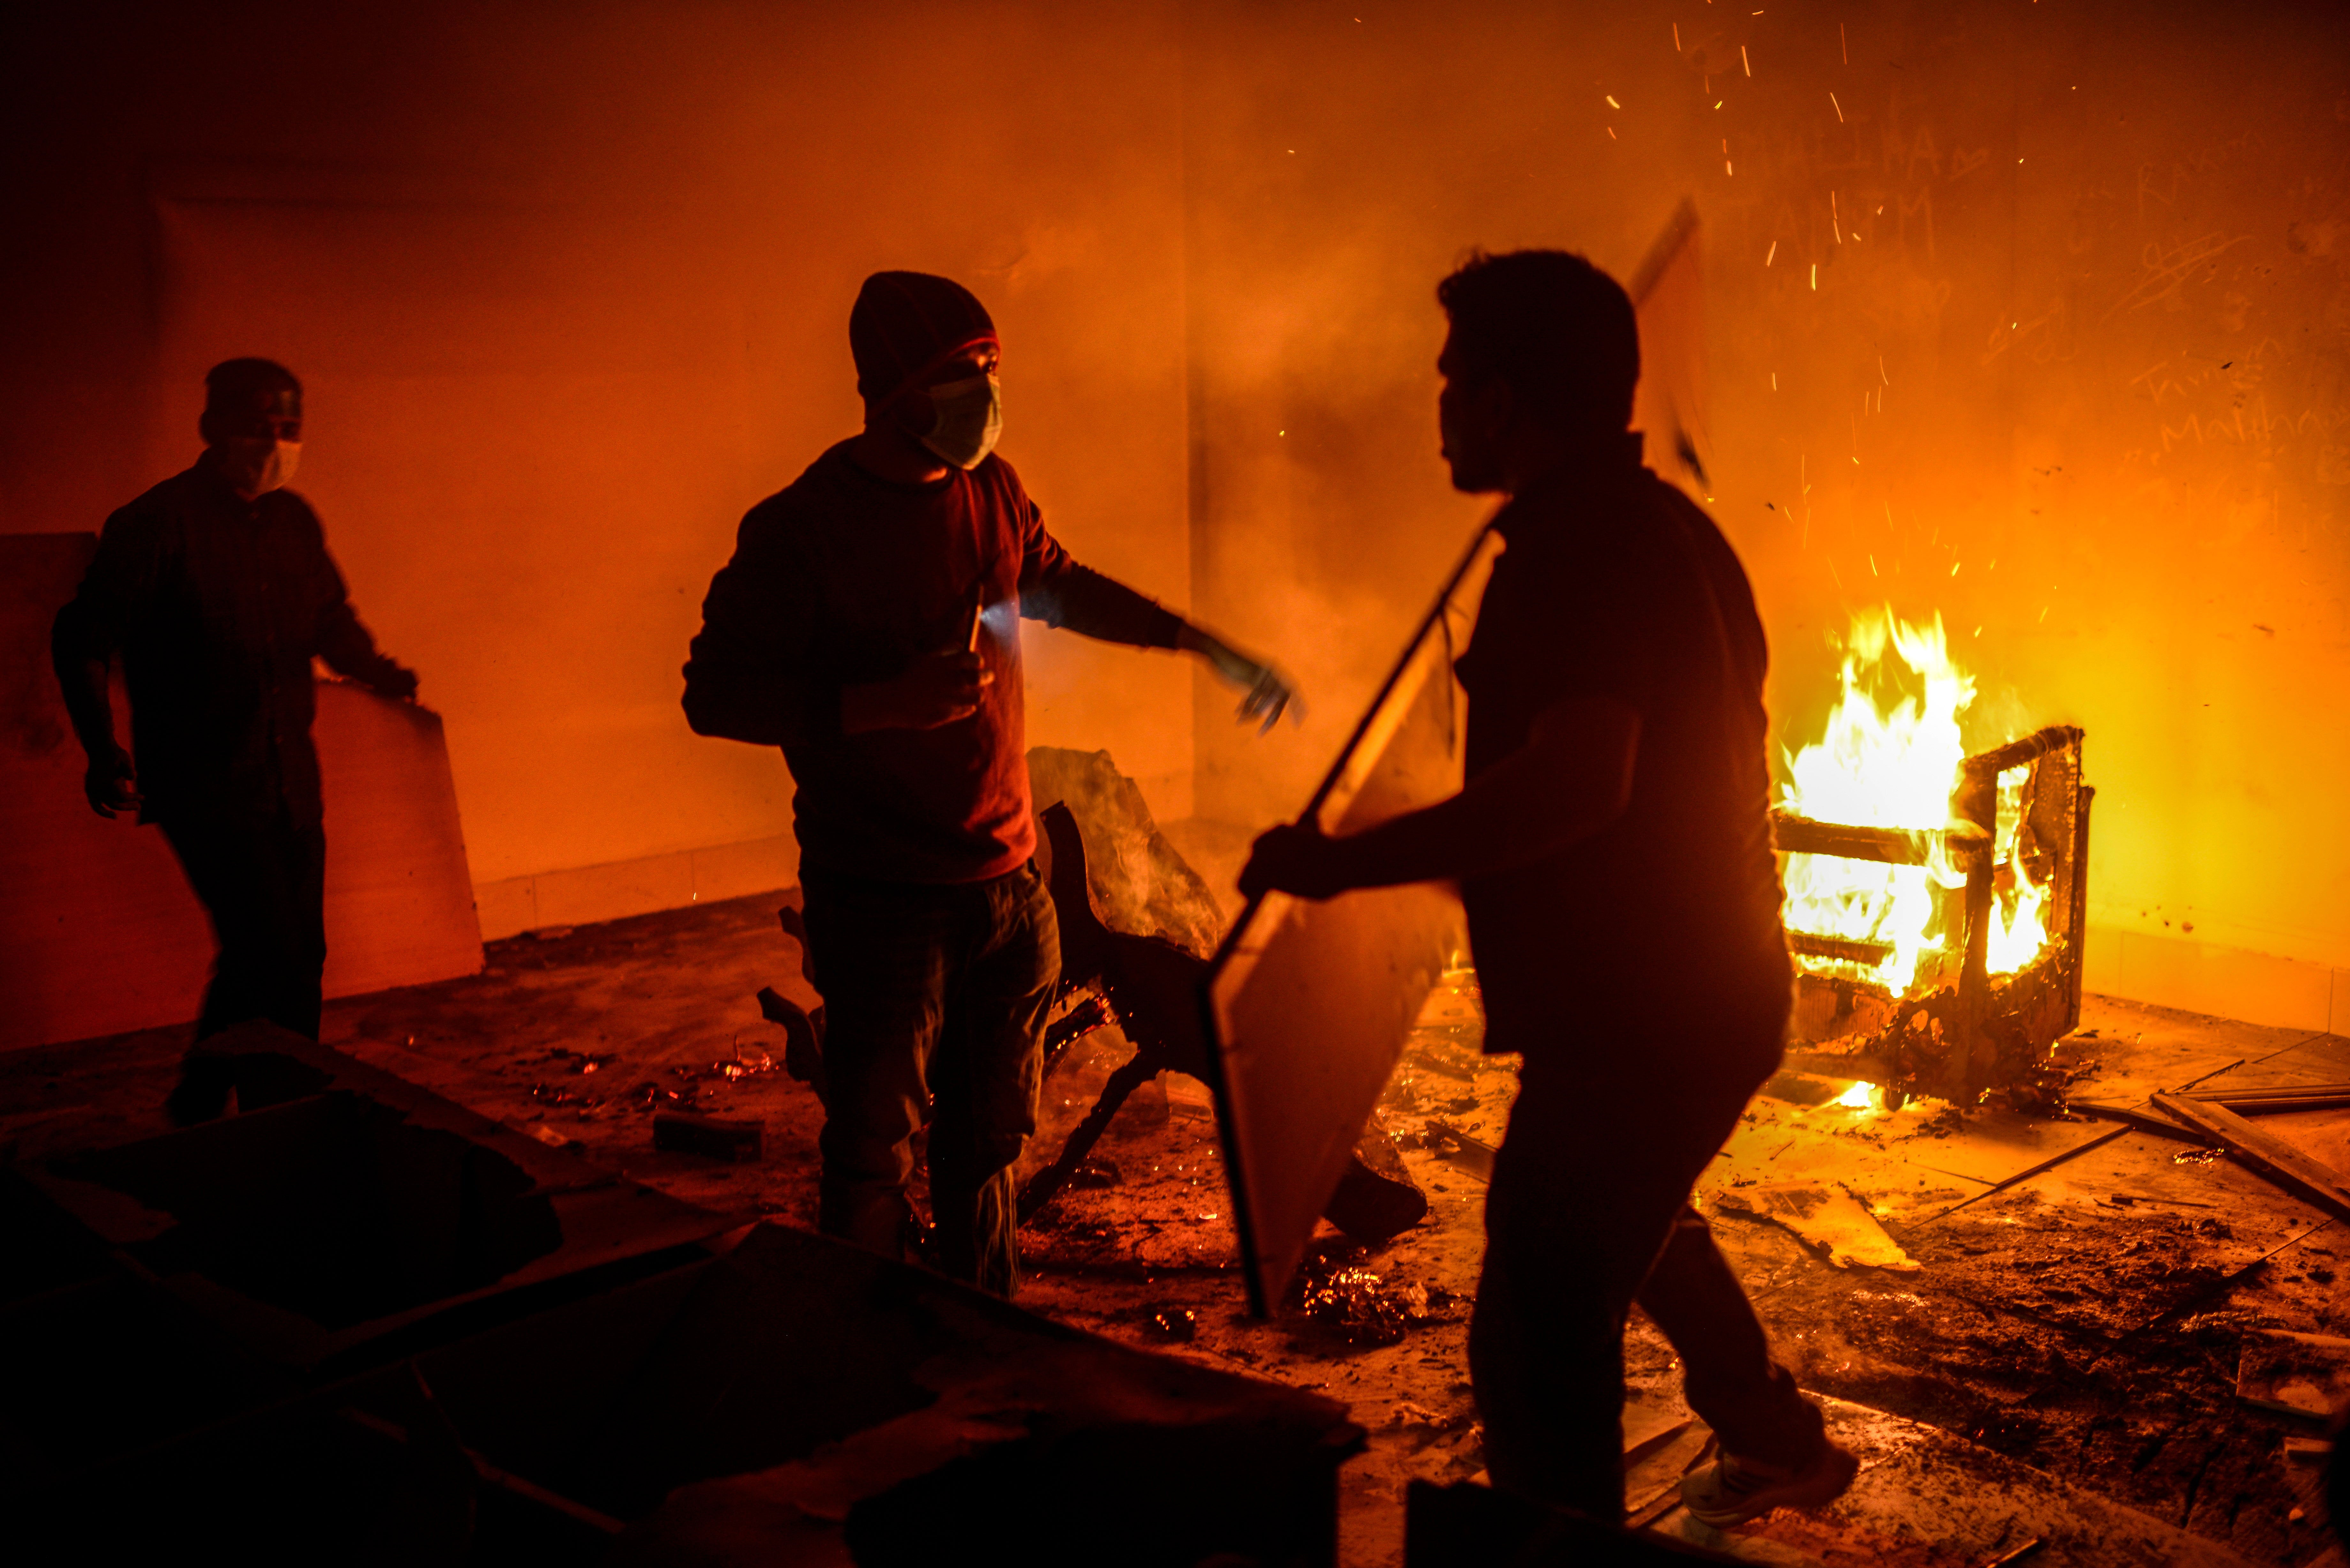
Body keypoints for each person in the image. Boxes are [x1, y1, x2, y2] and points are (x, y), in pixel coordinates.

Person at [1239, 250, 1856, 1527]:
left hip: (1641, 1022)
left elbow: (1579, 785)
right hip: (1698, 997)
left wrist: (1341, 866)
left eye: (1454, 377)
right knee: (1631, 1211)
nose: (1442, 403)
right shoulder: (1665, 526)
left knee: (1532, 1334)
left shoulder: (1575, 550)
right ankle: (1774, 1436)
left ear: (1506, 399)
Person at [683, 271, 1293, 1299]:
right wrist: (880, 704)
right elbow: (715, 694)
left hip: (1011, 887)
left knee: (991, 1144)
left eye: (992, 367)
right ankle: (865, 1356)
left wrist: (1200, 644)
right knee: (875, 1150)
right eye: (959, 372)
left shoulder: (992, 490)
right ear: (888, 389)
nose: (985, 390)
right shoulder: (803, 529)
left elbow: (1062, 583)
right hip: (882, 898)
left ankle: (989, 1340)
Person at [53, 358, 419, 1124]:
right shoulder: (157, 525)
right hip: (204, 783)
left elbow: (328, 619)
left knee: (290, 954)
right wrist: (101, 746)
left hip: (291, 776)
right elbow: (82, 637)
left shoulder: (294, 521)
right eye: (260, 425)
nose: (277, 442)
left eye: (291, 427)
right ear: (212, 428)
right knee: (271, 951)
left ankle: (203, 1098)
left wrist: (381, 672)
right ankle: (281, 1114)